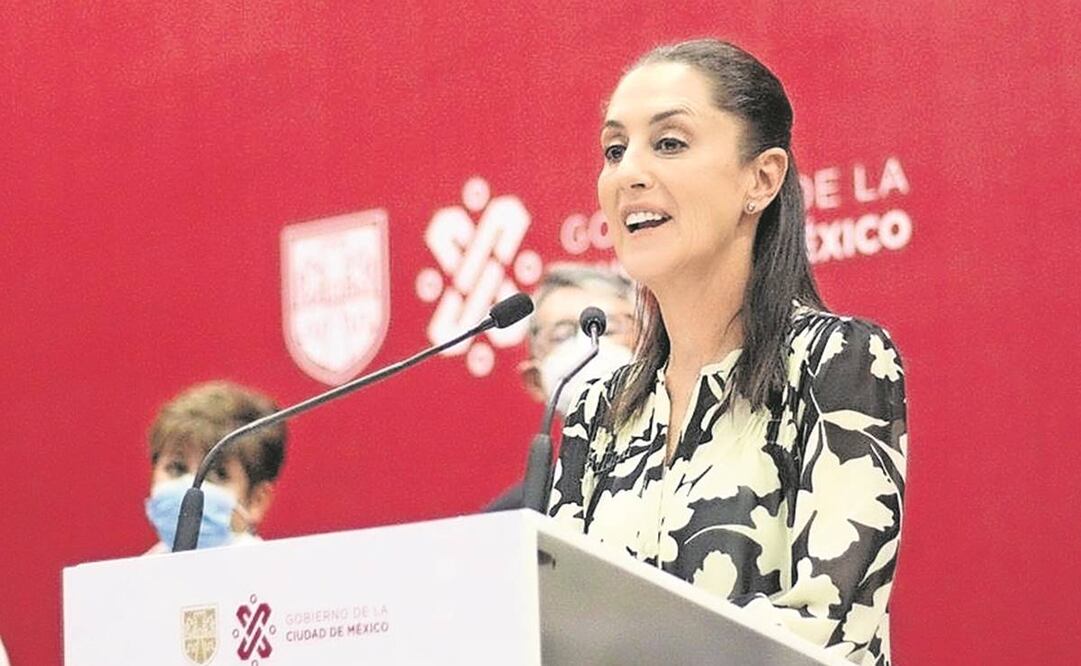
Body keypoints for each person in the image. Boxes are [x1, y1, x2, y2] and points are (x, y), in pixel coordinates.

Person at [548, 39, 907, 666]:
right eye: (614, 149)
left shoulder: (839, 361)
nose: (628, 173)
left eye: (669, 143)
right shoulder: (597, 410)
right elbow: (555, 628)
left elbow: (828, 627)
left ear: (761, 178)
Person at [487, 263, 638, 511]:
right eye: (561, 335)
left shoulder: (690, 477)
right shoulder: (513, 515)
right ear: (535, 380)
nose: (588, 346)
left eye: (607, 328)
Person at [144, 381, 287, 553]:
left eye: (217, 475)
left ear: (257, 500)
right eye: (177, 468)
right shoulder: (141, 566)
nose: (190, 485)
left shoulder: (271, 569)